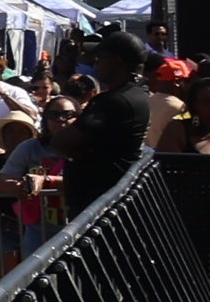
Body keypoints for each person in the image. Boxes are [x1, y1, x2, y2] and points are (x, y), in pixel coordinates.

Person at [64, 33, 158, 205]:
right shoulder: (138, 91)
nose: (96, 63)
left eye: (100, 58)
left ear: (117, 60)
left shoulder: (116, 100)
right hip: (107, 198)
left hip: (102, 202)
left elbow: (63, 143)